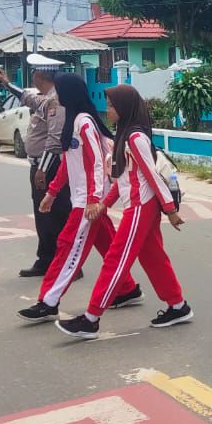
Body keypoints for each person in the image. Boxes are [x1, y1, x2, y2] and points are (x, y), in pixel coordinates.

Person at [57, 85, 190, 340]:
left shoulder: (134, 138)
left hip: (142, 207)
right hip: (138, 204)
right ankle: (178, 306)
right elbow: (123, 181)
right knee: (152, 257)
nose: (107, 110)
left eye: (111, 106)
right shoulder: (125, 135)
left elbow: (151, 176)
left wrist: (171, 210)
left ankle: (91, 319)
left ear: (124, 108)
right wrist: (103, 205)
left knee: (116, 260)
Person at [18, 73, 142, 323]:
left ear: (69, 92)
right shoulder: (73, 121)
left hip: (87, 200)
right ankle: (126, 288)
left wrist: (95, 200)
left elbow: (96, 162)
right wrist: (52, 193)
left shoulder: (83, 123)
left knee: (66, 246)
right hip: (84, 198)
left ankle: (48, 301)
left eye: (59, 89)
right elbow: (68, 163)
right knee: (107, 242)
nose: (56, 93)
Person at [0, 55, 71, 278]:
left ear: (39, 76)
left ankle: (63, 264)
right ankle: (47, 259)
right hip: (42, 166)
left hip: (49, 167)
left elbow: (55, 140)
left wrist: (42, 169)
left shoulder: (56, 102)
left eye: (33, 75)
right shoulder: (47, 99)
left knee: (55, 216)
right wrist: (8, 84)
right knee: (44, 216)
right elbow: (29, 99)